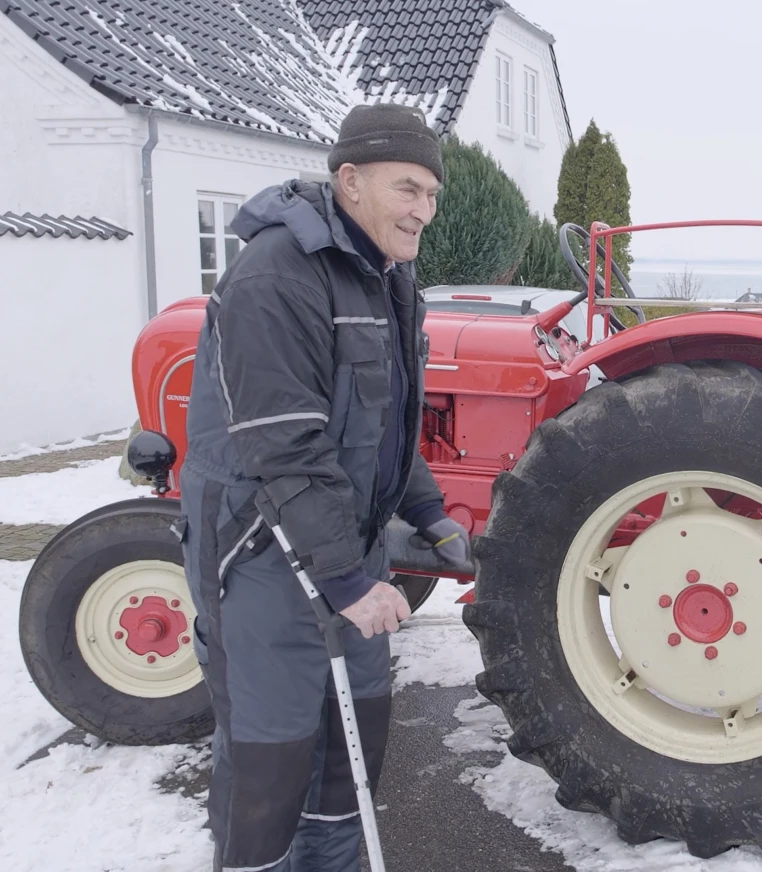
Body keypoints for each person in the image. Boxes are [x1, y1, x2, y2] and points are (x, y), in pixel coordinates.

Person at [176, 102, 471, 872]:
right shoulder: (275, 277)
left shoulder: (386, 277)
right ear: (350, 181)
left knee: (348, 762)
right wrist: (346, 578)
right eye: (408, 189)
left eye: (432, 195)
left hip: (345, 547)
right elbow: (286, 445)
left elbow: (383, 423)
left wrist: (429, 514)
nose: (424, 211)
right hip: (261, 553)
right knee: (268, 777)